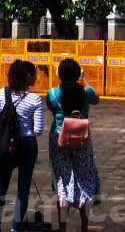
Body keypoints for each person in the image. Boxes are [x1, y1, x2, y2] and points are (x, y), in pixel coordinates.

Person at [45, 58, 101, 232]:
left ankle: (62, 227)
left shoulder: (52, 93)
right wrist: (83, 78)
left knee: (63, 179)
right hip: (81, 137)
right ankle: (84, 225)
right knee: (83, 179)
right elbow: (96, 99)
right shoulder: (86, 92)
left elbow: (52, 109)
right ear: (77, 74)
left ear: (60, 75)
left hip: (58, 136)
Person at [0, 59, 44, 232]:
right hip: (26, 143)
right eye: (34, 74)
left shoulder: (2, 94)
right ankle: (15, 228)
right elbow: (39, 129)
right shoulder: (35, 99)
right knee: (23, 189)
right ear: (27, 76)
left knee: (1, 187)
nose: (36, 77)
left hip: (5, 144)